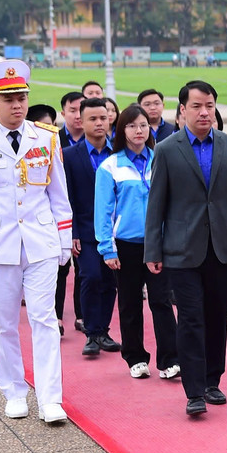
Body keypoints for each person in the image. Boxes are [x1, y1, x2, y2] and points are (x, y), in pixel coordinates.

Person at [0, 62, 73, 423]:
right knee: (3, 323)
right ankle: (14, 391)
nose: (17, 105)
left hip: (40, 241)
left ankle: (50, 399)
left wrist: (64, 240)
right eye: (9, 99)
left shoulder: (47, 137)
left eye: (22, 97)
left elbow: (59, 195)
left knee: (45, 319)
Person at [144, 80, 227, 417]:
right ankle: (193, 391)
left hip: (221, 249)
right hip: (181, 250)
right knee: (190, 318)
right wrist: (153, 251)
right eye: (196, 106)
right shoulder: (166, 149)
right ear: (182, 111)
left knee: (217, 316)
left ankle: (212, 381)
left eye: (209, 106)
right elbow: (156, 204)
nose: (204, 112)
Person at [96, 104, 179, 380]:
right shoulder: (110, 166)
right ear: (122, 130)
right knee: (130, 303)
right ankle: (135, 357)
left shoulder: (162, 159)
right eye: (132, 125)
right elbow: (103, 212)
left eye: (143, 124)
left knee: (162, 302)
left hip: (158, 244)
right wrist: (107, 249)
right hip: (126, 246)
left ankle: (170, 359)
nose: (139, 130)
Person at [63, 98, 120, 355]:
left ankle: (102, 331)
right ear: (81, 122)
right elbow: (68, 197)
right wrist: (72, 231)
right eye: (92, 119)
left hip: (114, 231)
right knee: (89, 277)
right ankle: (90, 332)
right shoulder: (70, 156)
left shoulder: (119, 153)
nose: (99, 123)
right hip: (85, 230)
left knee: (109, 282)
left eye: (103, 118)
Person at [56, 92, 87, 333]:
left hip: (85, 213)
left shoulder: (97, 140)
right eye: (72, 110)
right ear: (63, 112)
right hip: (58, 212)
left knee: (83, 270)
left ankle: (82, 315)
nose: (78, 115)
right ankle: (56, 315)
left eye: (81, 110)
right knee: (60, 267)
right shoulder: (53, 141)